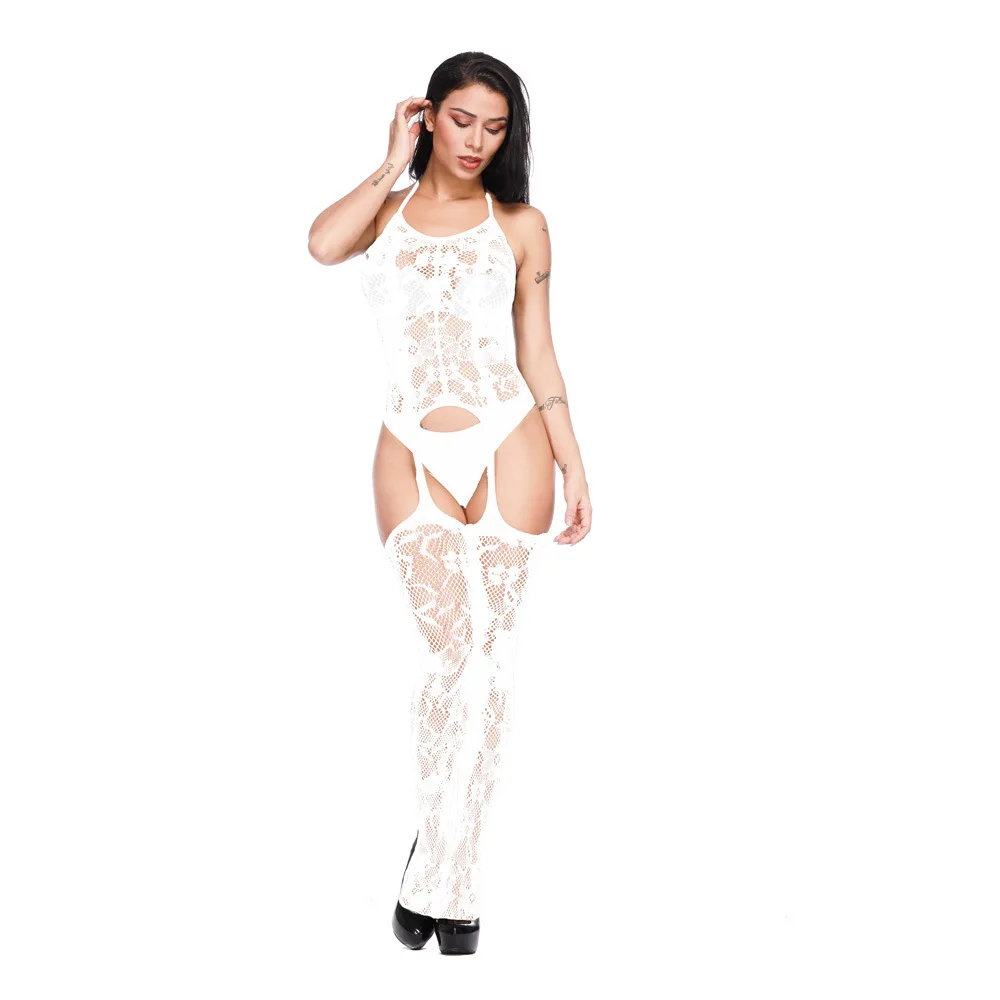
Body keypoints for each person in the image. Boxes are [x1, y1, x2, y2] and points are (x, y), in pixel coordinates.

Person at [307, 51, 591, 955]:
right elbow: (321, 244)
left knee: (492, 666)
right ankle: (435, 855)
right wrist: (390, 159)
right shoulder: (382, 214)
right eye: (462, 120)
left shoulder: (521, 225)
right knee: (446, 661)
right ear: (429, 115)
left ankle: (453, 886)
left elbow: (537, 350)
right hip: (410, 445)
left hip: (511, 438)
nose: (477, 142)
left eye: (496, 128)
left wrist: (575, 465)